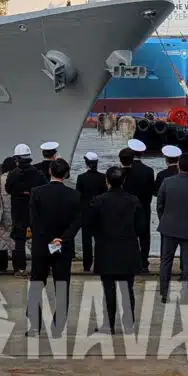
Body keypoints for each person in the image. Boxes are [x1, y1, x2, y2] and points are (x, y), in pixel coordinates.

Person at [26, 158, 82, 337]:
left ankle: (34, 326)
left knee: (36, 284)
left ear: (50, 171)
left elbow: (34, 221)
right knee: (62, 285)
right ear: (66, 174)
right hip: (63, 246)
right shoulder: (74, 195)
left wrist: (48, 239)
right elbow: (76, 222)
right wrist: (62, 239)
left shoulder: (37, 192)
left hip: (42, 245)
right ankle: (58, 326)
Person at [87, 166, 144, 334]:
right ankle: (129, 324)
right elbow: (141, 227)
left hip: (106, 248)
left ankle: (109, 324)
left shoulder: (98, 201)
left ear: (107, 181)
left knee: (108, 289)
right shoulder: (133, 201)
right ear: (123, 181)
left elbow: (90, 224)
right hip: (128, 248)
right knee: (127, 289)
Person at [156, 153, 188, 303]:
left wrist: (164, 219)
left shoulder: (166, 182)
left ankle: (164, 293)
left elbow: (159, 205)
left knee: (166, 262)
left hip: (168, 227)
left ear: (178, 165)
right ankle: (185, 295)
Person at [5, 143, 45, 276]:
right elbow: (44, 188)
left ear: (16, 158)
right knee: (37, 240)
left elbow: (8, 189)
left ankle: (20, 269)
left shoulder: (12, 174)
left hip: (18, 210)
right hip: (34, 209)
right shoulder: (38, 174)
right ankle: (38, 267)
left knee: (19, 241)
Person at [120, 141, 154, 272]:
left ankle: (127, 261)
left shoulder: (123, 171)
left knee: (127, 236)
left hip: (126, 208)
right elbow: (151, 191)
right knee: (145, 237)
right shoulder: (149, 171)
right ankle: (144, 263)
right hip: (144, 207)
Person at [75, 151, 106, 273]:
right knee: (100, 241)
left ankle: (87, 265)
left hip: (86, 213)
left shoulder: (81, 178)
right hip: (99, 214)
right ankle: (99, 264)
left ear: (86, 163)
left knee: (86, 241)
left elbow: (78, 196)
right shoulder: (103, 177)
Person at [0, 156, 17, 274]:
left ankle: (2, 267)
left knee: (1, 241)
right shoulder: (18, 178)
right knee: (15, 241)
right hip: (15, 214)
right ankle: (17, 266)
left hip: (1, 215)